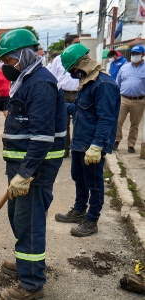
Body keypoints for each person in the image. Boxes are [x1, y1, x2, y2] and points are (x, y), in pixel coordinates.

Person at [0, 28, 66, 300]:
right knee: (19, 218)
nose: (4, 67)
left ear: (23, 56)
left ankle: (31, 283)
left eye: (8, 61)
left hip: (34, 170)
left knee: (29, 222)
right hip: (21, 167)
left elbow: (43, 135)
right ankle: (27, 263)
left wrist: (25, 173)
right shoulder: (26, 79)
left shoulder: (40, 84)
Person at [54, 44, 120, 237]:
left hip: (92, 144)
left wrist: (97, 145)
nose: (72, 74)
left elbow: (106, 118)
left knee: (94, 182)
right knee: (79, 178)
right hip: (80, 141)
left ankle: (92, 220)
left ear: (80, 64)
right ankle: (79, 209)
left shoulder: (103, 85)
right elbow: (80, 110)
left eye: (72, 70)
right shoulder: (87, 81)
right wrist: (60, 107)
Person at [47, 34, 81, 158]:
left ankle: (77, 149)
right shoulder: (58, 60)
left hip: (78, 93)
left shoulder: (81, 57)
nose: (78, 45)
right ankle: (65, 149)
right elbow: (52, 78)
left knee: (79, 122)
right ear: (67, 45)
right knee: (63, 124)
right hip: (63, 94)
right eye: (75, 42)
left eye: (79, 42)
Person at [114, 45, 145, 154]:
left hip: (139, 100)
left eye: (137, 54)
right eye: (133, 54)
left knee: (134, 124)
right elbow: (118, 82)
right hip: (123, 98)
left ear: (143, 55)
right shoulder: (124, 67)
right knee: (117, 120)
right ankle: (116, 140)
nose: (134, 56)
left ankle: (131, 144)